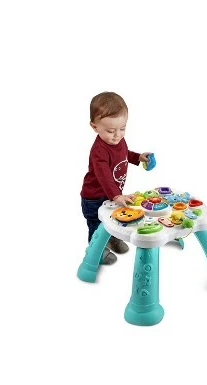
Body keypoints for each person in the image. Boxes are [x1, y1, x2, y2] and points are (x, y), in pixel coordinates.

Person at [80, 92, 151, 264]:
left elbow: (124, 153)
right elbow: (103, 175)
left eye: (122, 128)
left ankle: (111, 238)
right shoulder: (99, 151)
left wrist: (138, 157)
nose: (117, 135)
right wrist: (117, 195)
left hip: (111, 194)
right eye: (111, 131)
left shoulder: (118, 141)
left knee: (113, 218)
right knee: (97, 224)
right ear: (94, 126)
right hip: (94, 197)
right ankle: (97, 250)